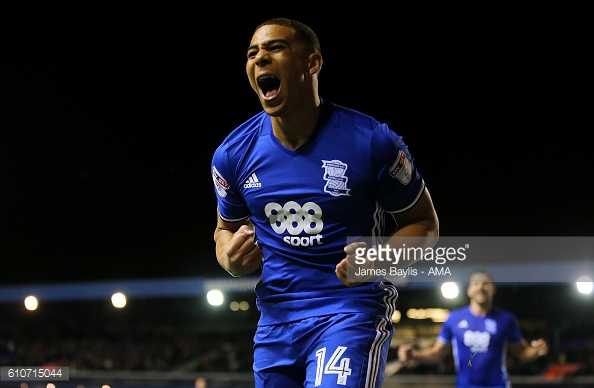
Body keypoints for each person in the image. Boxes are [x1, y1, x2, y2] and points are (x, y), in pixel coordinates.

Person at [211, 17, 439, 387]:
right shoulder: (232, 155)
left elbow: (424, 223)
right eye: (252, 54)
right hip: (276, 322)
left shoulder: (372, 142)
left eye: (275, 48)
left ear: (312, 64)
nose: (260, 59)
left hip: (349, 312)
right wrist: (230, 259)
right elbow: (224, 231)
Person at [398, 270, 549, 388]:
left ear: (493, 289)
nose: (481, 287)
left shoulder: (506, 319)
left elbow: (521, 353)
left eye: (486, 283)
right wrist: (414, 355)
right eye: (476, 284)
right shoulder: (454, 318)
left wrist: (535, 350)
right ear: (469, 290)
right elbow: (437, 354)